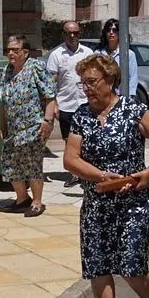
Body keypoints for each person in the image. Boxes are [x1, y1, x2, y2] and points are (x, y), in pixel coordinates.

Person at [62, 54, 149, 298]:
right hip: (97, 202)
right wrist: (101, 176)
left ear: (110, 80)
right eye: (83, 83)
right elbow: (70, 159)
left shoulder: (132, 109)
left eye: (92, 82)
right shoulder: (82, 116)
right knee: (97, 265)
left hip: (133, 202)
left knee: (131, 263)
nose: (86, 88)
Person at [0, 34, 57, 218]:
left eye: (15, 50)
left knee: (32, 163)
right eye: (8, 50)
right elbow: (4, 101)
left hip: (34, 125)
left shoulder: (35, 67)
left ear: (25, 52)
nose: (11, 53)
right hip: (13, 128)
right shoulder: (6, 71)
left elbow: (50, 94)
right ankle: (22, 199)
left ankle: (37, 202)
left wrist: (47, 121)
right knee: (10, 162)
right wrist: (2, 124)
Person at [47, 21, 93, 188]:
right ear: (63, 35)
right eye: (69, 33)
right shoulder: (56, 55)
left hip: (86, 103)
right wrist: (54, 105)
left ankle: (87, 173)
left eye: (76, 33)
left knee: (88, 139)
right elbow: (50, 83)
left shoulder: (88, 53)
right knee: (70, 141)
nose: (72, 36)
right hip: (66, 104)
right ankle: (74, 173)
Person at [95, 19, 138, 98]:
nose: (111, 32)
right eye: (108, 30)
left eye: (114, 30)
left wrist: (130, 97)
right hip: (103, 96)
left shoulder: (129, 54)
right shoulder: (98, 53)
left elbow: (133, 78)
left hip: (121, 96)